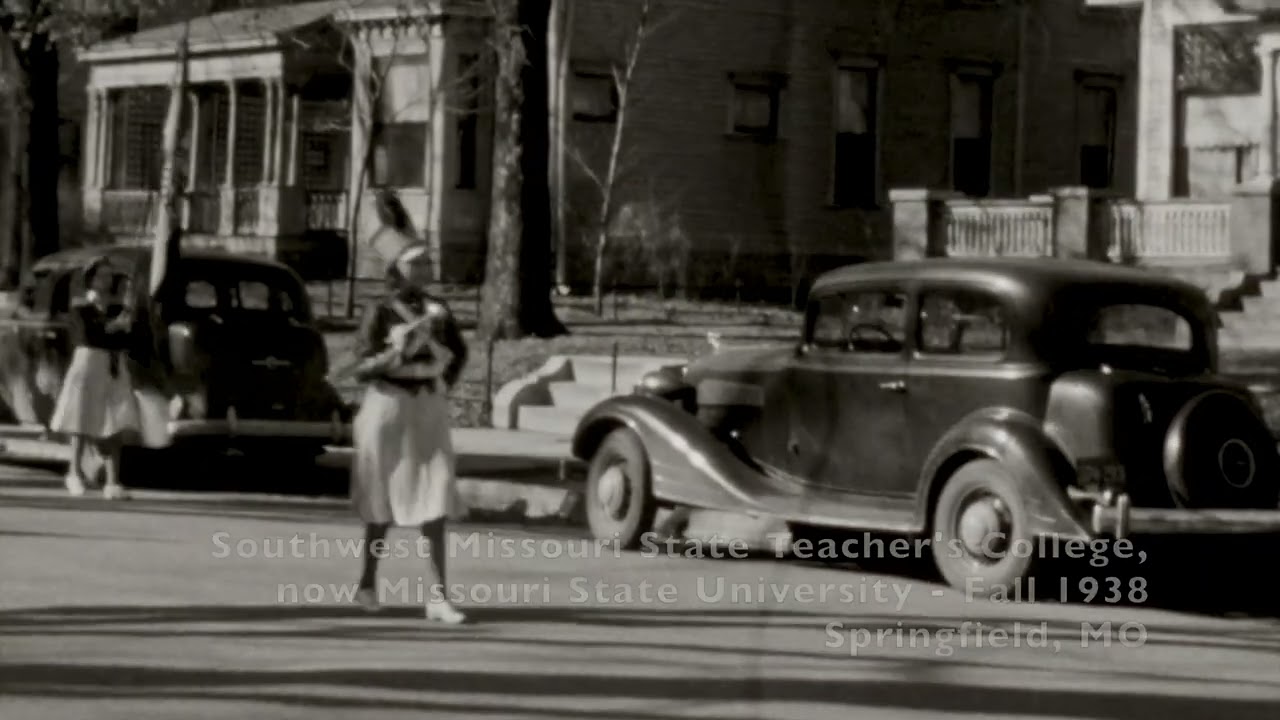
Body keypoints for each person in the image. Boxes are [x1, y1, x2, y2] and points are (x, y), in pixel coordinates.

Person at [349, 234, 470, 624]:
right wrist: (396, 352)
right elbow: (361, 366)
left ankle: (438, 595)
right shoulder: (379, 310)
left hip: (426, 408)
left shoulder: (440, 309)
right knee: (381, 500)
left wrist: (440, 378)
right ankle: (367, 583)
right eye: (416, 263)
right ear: (397, 268)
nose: (424, 270)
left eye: (427, 263)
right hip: (388, 406)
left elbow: (459, 352)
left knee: (436, 492)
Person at [50, 256, 138, 500]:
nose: (106, 281)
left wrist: (124, 324)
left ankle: (112, 481)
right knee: (80, 418)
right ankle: (74, 473)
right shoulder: (81, 307)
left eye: (110, 276)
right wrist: (114, 327)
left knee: (114, 421)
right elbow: (89, 336)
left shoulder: (117, 308)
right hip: (88, 364)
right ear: (90, 279)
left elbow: (124, 340)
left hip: (112, 365)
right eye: (101, 275)